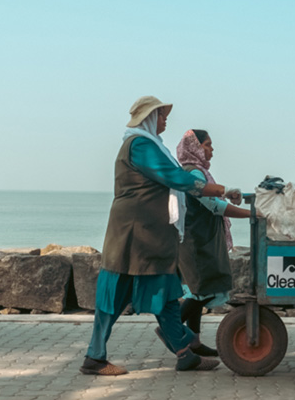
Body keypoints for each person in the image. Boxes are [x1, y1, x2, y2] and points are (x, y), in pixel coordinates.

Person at [79, 96, 235, 375]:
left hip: (151, 238)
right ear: (149, 118)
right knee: (111, 299)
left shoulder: (152, 145)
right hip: (132, 237)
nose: (165, 121)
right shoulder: (139, 145)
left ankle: (185, 353)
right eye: (162, 116)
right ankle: (95, 357)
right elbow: (174, 177)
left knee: (165, 295)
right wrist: (215, 189)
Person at [168, 129, 250, 356]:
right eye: (208, 145)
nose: (212, 150)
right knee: (202, 290)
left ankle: (193, 341)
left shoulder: (190, 171)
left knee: (198, 291)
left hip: (197, 239)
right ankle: (170, 330)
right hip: (197, 242)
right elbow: (214, 206)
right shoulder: (195, 173)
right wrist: (251, 214)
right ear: (196, 147)